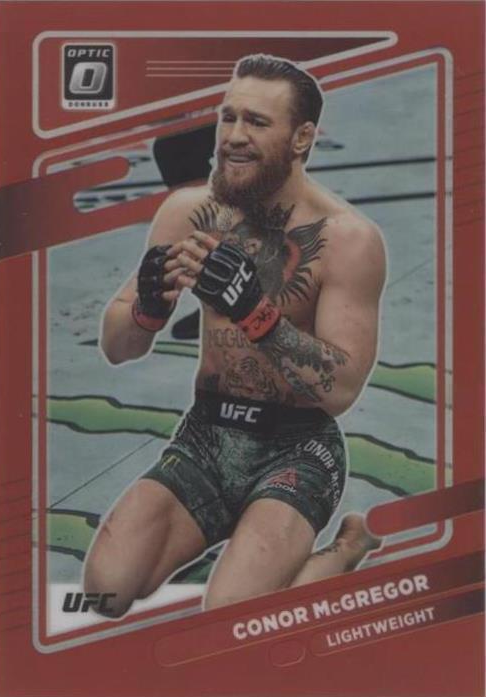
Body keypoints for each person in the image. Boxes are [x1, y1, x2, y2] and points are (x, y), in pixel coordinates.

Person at [84, 54, 385, 618]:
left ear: (302, 138)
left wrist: (255, 313)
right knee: (105, 591)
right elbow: (117, 348)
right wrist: (147, 308)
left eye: (257, 122)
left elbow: (341, 389)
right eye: (229, 117)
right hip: (205, 437)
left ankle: (347, 548)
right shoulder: (188, 212)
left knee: (230, 617)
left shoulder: (348, 239)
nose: (234, 137)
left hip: (297, 448)